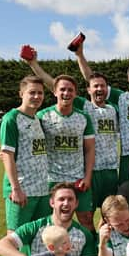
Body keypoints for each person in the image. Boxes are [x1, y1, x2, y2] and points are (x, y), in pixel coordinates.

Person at [24, 47, 119, 211]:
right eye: (95, 86)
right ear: (88, 90)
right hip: (90, 170)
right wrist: (34, 65)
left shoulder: (115, 108)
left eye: (103, 86)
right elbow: (53, 83)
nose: (99, 89)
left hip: (111, 169)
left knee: (108, 212)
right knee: (83, 214)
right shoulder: (85, 106)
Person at [0, 75, 50, 256]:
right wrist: (16, 188)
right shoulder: (11, 119)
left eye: (40, 93)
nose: (37, 96)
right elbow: (7, 155)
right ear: (21, 94)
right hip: (21, 189)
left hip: (41, 189)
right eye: (32, 92)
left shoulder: (38, 119)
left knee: (37, 238)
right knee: (13, 238)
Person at [75, 44, 129, 183]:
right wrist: (80, 55)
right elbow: (92, 80)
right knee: (125, 199)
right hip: (127, 156)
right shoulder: (121, 97)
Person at [37, 75, 96, 233]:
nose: (66, 93)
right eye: (62, 89)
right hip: (52, 178)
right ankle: (51, 254)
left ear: (75, 93)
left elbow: (90, 149)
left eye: (70, 90)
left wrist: (87, 176)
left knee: (86, 219)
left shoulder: (83, 118)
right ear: (55, 92)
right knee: (51, 220)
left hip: (77, 178)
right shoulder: (42, 116)